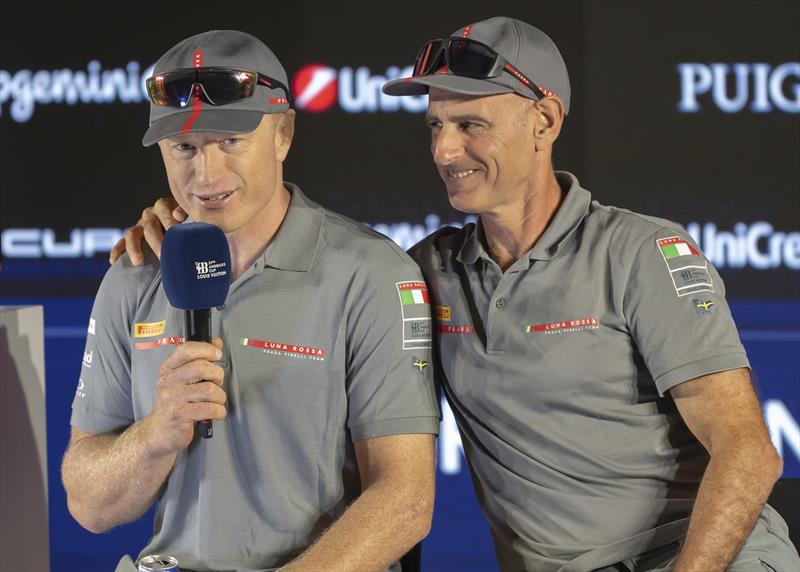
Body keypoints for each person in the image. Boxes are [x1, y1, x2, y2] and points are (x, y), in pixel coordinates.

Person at [114, 17, 800, 572]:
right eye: (435, 126)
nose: (445, 150)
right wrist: (182, 218)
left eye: (471, 124)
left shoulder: (640, 254)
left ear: (546, 118)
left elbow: (749, 452)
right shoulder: (424, 274)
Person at [62, 30, 439, 572]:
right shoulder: (134, 275)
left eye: (230, 142)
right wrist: (156, 434)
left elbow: (404, 501)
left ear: (283, 134)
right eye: (184, 148)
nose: (206, 175)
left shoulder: (370, 275)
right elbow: (89, 505)